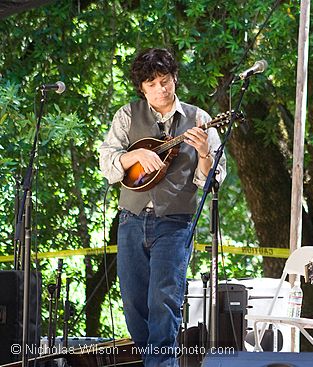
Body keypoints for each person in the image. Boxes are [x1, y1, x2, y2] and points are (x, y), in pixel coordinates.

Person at [99, 47, 226, 367]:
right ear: (141, 87)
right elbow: (107, 164)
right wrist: (134, 156)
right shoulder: (126, 116)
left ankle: (161, 363)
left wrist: (205, 155)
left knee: (163, 301)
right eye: (152, 83)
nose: (161, 89)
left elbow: (213, 180)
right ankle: (150, 361)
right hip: (130, 220)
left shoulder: (199, 119)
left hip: (176, 222)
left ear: (175, 79)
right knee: (133, 303)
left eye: (165, 80)